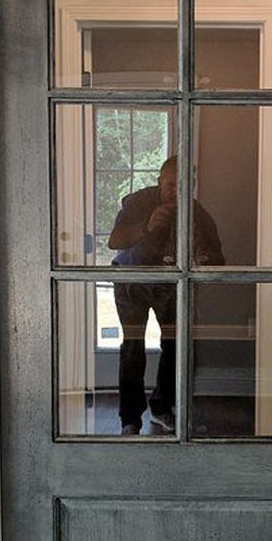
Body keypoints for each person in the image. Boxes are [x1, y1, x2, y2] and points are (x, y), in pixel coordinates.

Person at [108, 155, 223, 435]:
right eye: (171, 184)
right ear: (160, 182)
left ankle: (161, 408)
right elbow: (114, 241)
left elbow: (218, 262)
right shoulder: (139, 202)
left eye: (184, 183)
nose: (176, 190)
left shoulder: (199, 214)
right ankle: (130, 420)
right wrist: (146, 227)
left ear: (193, 184)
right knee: (132, 347)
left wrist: (202, 256)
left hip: (170, 285)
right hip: (131, 280)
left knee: (175, 345)